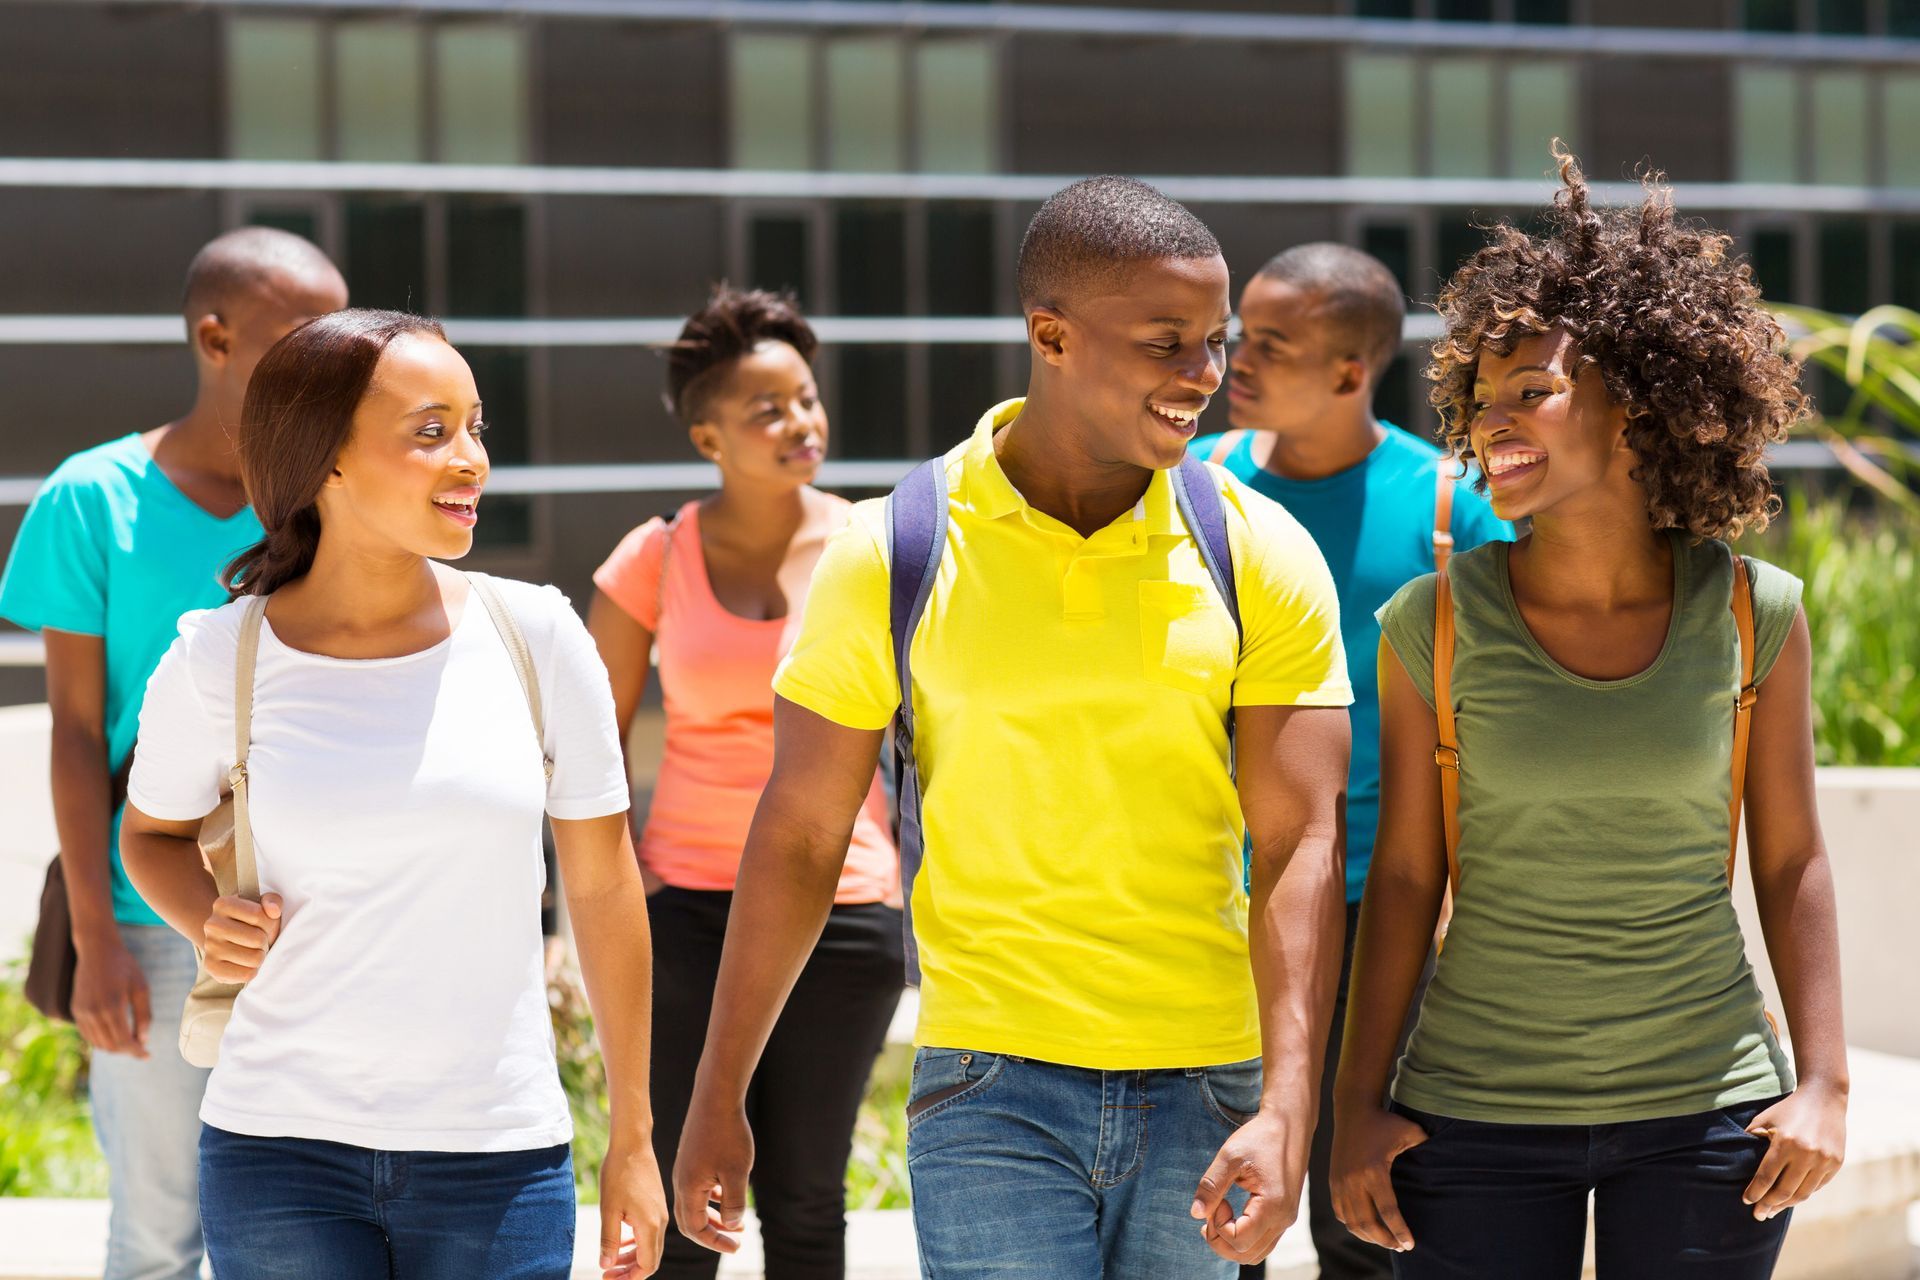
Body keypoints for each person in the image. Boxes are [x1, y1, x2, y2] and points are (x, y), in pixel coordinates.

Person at [671, 176, 1354, 1277]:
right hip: (989, 1083)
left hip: (1205, 1086)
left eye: (1216, 342)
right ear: (1051, 335)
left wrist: (1287, 1100)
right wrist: (717, 1096)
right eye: (1168, 342)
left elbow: (1299, 844)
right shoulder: (889, 548)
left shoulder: (1258, 551)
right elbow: (798, 835)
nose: (1206, 377)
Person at [1331, 149, 1846, 1278]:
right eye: (1483, 396)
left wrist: (1823, 1081)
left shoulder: (1757, 611)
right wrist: (1356, 1103)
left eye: (1535, 390)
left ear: (1638, 406)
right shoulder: (1434, 620)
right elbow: (1409, 873)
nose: (1495, 418)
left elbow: (1794, 854)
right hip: (1470, 1113)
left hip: (1712, 1110)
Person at [118, 310, 667, 1280]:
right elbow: (149, 835)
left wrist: (634, 1130)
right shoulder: (217, 657)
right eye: (430, 430)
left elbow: (603, 885)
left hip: (499, 1157)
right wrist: (210, 920)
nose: (472, 461)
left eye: (475, 425)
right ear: (324, 456)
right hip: (275, 1150)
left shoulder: (536, 637)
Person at [0, 227, 345, 1280]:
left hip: (317, 912)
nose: (331, 363)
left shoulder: (332, 496)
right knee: (157, 1236)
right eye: (303, 337)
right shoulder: (90, 499)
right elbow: (70, 728)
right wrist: (97, 935)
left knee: (308, 1231)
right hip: (150, 920)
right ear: (214, 335)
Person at [1190, 243, 1512, 1280]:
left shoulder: (1450, 508)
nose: (1236, 357)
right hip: (1223, 889)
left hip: (1395, 901)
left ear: (1348, 369)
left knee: (1361, 1196)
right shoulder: (1202, 488)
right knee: (1218, 1192)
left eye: (1270, 343)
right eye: (1240, 331)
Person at [587, 286, 904, 1280]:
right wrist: (613, 895)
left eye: (806, 399)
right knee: (689, 1201)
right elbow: (587, 748)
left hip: (843, 905)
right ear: (707, 437)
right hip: (687, 909)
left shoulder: (880, 546)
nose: (800, 423)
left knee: (808, 1201)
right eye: (768, 410)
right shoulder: (655, 554)